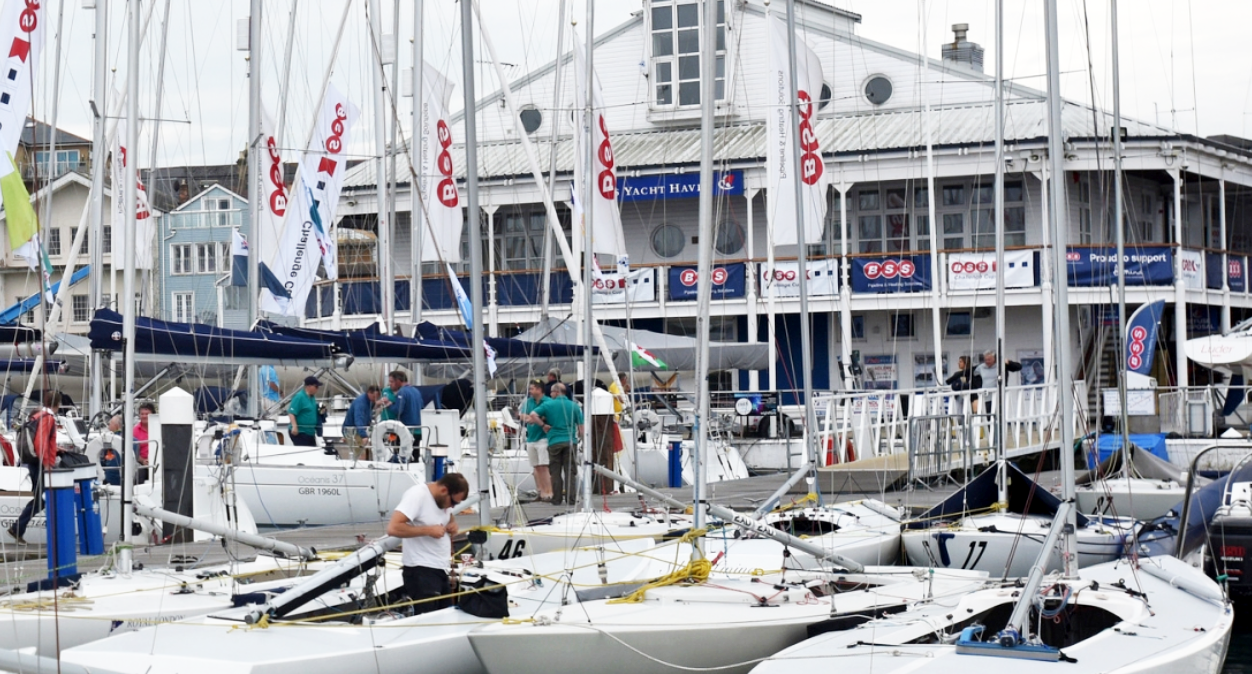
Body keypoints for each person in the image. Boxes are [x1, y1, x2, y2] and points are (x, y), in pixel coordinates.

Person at [386, 473, 470, 615]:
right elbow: (393, 528)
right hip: (421, 569)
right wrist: (428, 530)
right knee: (427, 618)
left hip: (440, 569)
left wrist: (453, 524)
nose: (452, 506)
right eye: (454, 503)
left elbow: (448, 515)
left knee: (446, 617)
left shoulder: (443, 501)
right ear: (444, 490)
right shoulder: (417, 495)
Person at [8, 391, 60, 544]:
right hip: (40, 464)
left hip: (34, 462)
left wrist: (56, 450)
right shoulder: (48, 418)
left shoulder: (37, 416)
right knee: (43, 499)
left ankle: (17, 528)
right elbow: (41, 442)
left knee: (41, 498)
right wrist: (46, 465)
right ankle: (18, 528)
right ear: (58, 404)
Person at [524, 382, 583, 506]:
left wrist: (543, 425)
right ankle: (570, 499)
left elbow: (533, 415)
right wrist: (582, 440)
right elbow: (581, 427)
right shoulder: (575, 406)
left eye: (551, 392)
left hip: (554, 441)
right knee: (570, 471)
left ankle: (556, 499)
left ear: (556, 392)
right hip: (570, 441)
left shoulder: (548, 404)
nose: (550, 394)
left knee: (555, 471)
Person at [520, 380, 553, 502]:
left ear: (539, 389)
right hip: (531, 438)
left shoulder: (548, 402)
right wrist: (529, 417)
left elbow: (549, 416)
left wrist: (536, 418)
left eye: (532, 388)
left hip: (543, 438)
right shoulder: (529, 402)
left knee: (544, 466)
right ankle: (540, 491)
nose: (530, 391)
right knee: (536, 467)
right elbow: (522, 414)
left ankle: (548, 492)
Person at [975, 350, 1022, 414]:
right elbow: (975, 376)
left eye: (989, 359)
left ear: (994, 359)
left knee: (1000, 415)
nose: (987, 361)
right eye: (986, 360)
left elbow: (1019, 367)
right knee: (989, 416)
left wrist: (1009, 363)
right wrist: (979, 387)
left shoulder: (1001, 365)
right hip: (987, 396)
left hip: (999, 395)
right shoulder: (981, 367)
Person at [342, 385, 382, 456]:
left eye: (377, 397)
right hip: (352, 431)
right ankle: (356, 463)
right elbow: (358, 419)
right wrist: (364, 436)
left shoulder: (368, 400)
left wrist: (377, 404)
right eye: (374, 397)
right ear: (369, 392)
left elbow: (370, 407)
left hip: (358, 430)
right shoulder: (360, 403)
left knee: (365, 450)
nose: (375, 399)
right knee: (359, 452)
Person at [387, 371, 424, 445]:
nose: (389, 384)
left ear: (398, 381)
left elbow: (398, 410)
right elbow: (422, 406)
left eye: (391, 381)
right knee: (415, 454)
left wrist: (389, 405)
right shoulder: (416, 391)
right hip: (419, 430)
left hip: (405, 431)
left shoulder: (402, 392)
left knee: (400, 453)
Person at [288, 376, 322, 447]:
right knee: (305, 454)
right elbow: (291, 412)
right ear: (309, 386)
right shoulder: (299, 397)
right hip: (301, 432)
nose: (317, 389)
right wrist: (294, 426)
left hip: (310, 432)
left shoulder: (312, 398)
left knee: (312, 452)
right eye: (316, 386)